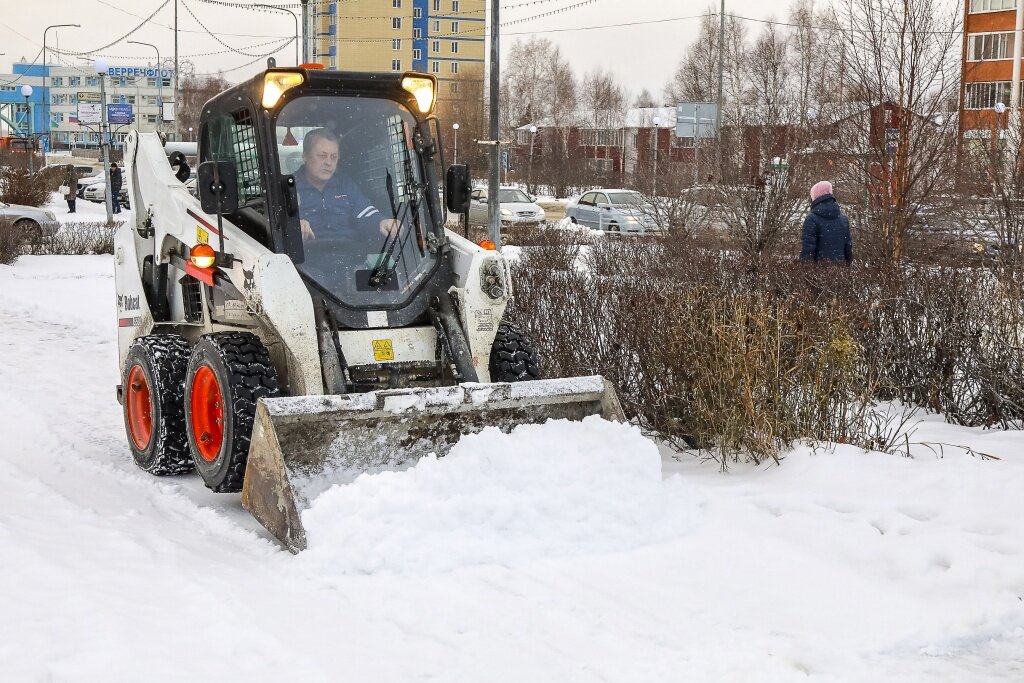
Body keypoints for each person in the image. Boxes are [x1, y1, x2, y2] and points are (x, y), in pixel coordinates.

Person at [293, 128, 397, 241]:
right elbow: (277, 224)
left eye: (333, 157)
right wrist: (293, 225)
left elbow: (365, 213)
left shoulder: (345, 184)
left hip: (348, 253)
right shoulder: (289, 187)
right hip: (306, 255)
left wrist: (382, 222)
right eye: (322, 156)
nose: (329, 162)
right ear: (305, 156)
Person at [800, 180, 852, 264]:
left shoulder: (812, 219)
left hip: (819, 272)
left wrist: (804, 270)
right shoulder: (844, 219)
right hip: (841, 271)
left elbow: (808, 249)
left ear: (815, 197)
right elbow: (848, 248)